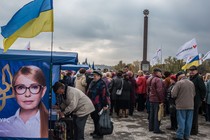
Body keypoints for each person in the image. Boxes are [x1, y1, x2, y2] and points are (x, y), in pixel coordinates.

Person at [0, 65, 48, 138]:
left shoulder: (50, 122)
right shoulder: (3, 125)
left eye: (34, 87)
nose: (27, 94)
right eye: (21, 87)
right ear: (14, 92)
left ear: (43, 91)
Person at [171, 71, 195, 140]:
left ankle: (179, 136)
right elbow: (194, 94)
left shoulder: (179, 83)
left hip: (181, 105)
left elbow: (173, 94)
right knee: (188, 122)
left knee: (181, 121)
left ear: (179, 77)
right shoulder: (191, 83)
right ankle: (186, 136)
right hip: (190, 105)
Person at [87, 70, 110, 139]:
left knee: (98, 119)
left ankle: (99, 134)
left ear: (99, 76)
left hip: (99, 104)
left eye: (95, 76)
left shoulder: (102, 83)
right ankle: (96, 131)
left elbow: (104, 95)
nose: (94, 77)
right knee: (94, 118)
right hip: (92, 103)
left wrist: (105, 105)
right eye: (93, 76)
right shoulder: (93, 82)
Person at [188, 65, 206, 135]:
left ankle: (194, 130)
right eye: (190, 70)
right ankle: (191, 128)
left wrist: (201, 99)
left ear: (196, 71)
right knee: (191, 115)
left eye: (193, 70)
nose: (191, 72)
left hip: (196, 100)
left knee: (195, 116)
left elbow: (203, 89)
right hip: (191, 99)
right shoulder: (191, 78)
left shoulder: (198, 78)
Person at [147, 68, 165, 134]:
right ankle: (156, 129)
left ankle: (151, 127)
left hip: (151, 98)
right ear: (157, 73)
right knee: (157, 115)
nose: (161, 74)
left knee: (152, 114)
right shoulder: (158, 80)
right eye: (161, 73)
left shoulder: (150, 78)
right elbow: (159, 90)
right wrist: (162, 100)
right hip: (157, 99)